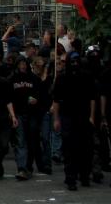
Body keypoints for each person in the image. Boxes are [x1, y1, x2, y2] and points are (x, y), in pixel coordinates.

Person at [53, 51, 96, 191]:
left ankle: (84, 176)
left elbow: (92, 98)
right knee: (69, 149)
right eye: (72, 61)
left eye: (76, 61)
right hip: (68, 117)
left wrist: (91, 116)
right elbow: (56, 100)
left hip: (83, 116)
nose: (75, 64)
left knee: (85, 148)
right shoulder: (62, 78)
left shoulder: (86, 77)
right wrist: (56, 119)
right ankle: (71, 177)